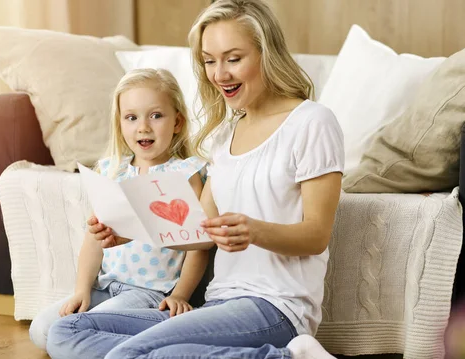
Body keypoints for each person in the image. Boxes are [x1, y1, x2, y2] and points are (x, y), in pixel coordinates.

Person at [45, 0, 344, 358]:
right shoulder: (223, 136)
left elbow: (316, 236)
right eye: (209, 60)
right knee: (65, 330)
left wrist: (254, 231)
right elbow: (198, 233)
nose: (219, 74)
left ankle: (292, 355)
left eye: (233, 59)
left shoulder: (312, 123)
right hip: (218, 302)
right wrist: (129, 231)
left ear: (267, 54)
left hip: (276, 307)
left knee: (126, 355)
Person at [29, 68, 210, 350]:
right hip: (106, 286)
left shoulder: (185, 173)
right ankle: (136, 343)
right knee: (40, 330)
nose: (143, 127)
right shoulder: (112, 170)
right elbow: (95, 238)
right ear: (121, 123)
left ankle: (151, 333)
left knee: (87, 329)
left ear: (177, 121)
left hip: (149, 293)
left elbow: (199, 245)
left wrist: (181, 295)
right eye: (131, 117)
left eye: (156, 115)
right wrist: (82, 290)